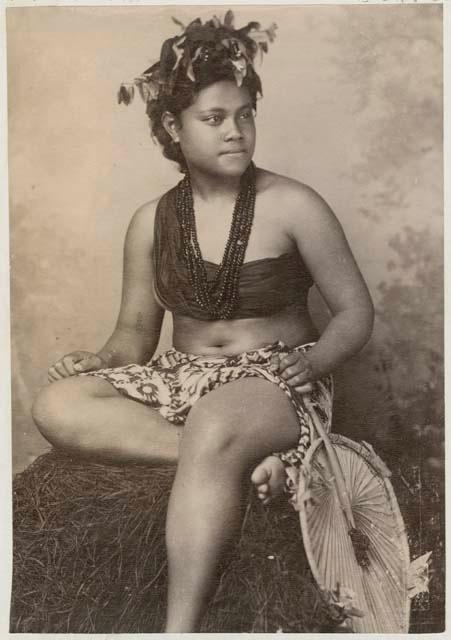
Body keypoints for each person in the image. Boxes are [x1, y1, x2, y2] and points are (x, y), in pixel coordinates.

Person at [31, 12, 374, 633]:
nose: (236, 132)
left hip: (275, 382)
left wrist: (313, 362)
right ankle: (239, 465)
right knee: (56, 404)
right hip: (178, 379)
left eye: (245, 115)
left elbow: (355, 314)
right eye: (214, 119)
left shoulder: (294, 204)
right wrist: (97, 361)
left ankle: (179, 630)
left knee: (218, 420)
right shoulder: (150, 222)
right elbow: (134, 338)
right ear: (172, 126)